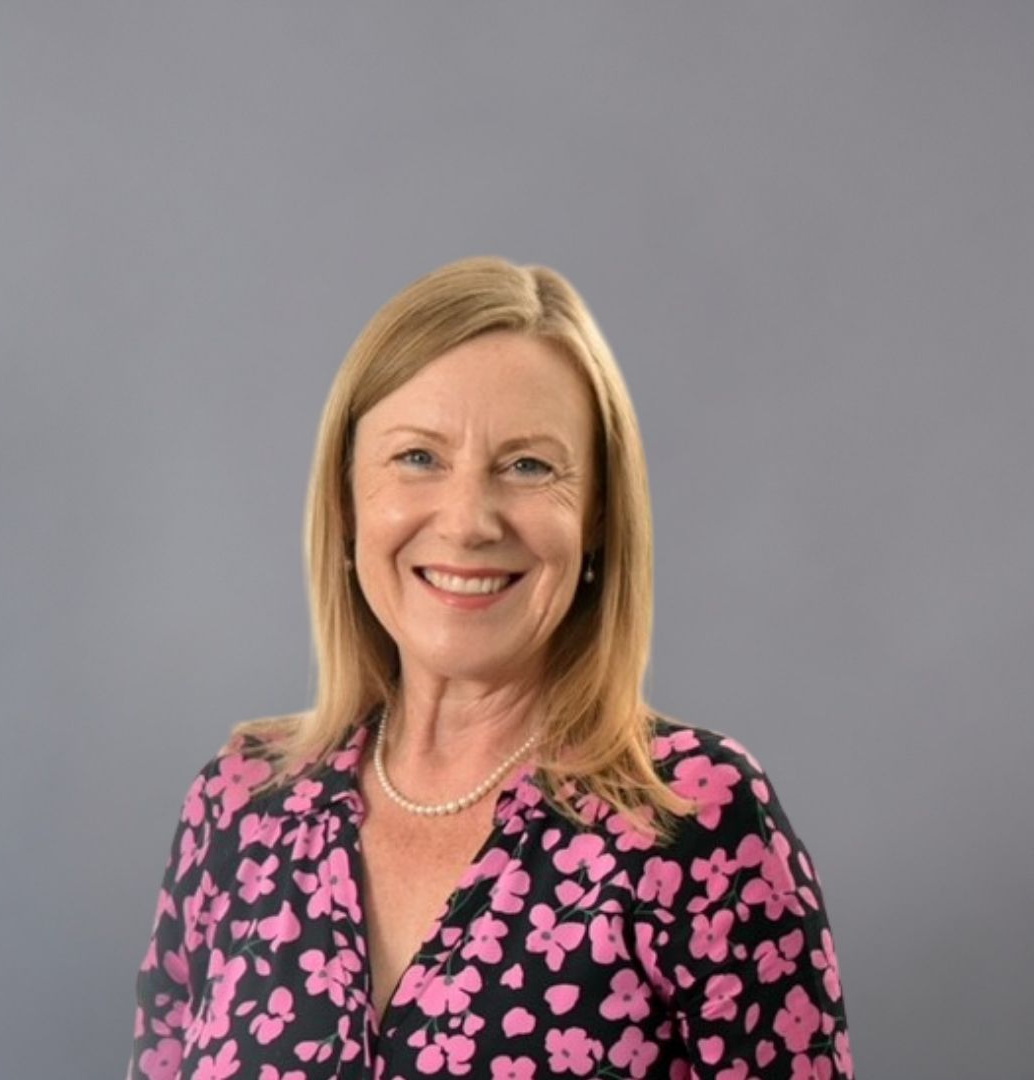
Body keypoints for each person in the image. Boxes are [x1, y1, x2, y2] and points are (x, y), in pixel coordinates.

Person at [128, 256, 854, 1079]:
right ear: (346, 500)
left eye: (529, 466)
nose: (469, 521)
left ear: (598, 521)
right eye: (418, 458)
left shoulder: (695, 820)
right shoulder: (238, 808)